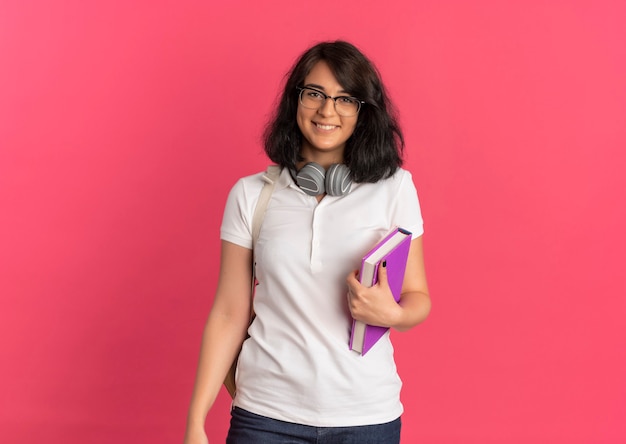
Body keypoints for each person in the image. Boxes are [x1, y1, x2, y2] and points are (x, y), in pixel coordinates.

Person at [184, 40, 431, 444]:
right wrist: (196, 421)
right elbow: (229, 313)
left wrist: (394, 314)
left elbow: (418, 296)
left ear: (362, 112)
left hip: (367, 415)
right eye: (314, 93)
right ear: (295, 99)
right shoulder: (251, 195)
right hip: (266, 416)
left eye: (345, 99)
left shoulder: (395, 188)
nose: (327, 111)